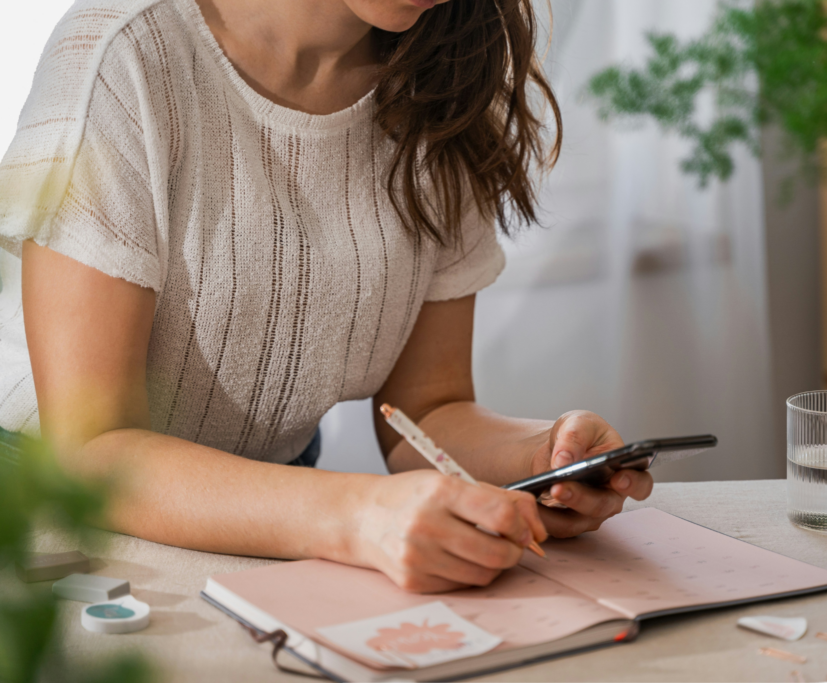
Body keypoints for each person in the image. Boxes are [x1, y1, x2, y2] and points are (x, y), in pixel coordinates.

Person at [0, 0, 653, 593]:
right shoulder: (124, 55)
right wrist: (354, 513)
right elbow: (91, 451)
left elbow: (429, 408)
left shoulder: (444, 80)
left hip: (268, 530)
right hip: (47, 520)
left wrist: (544, 460)